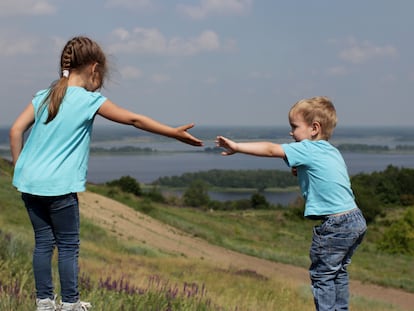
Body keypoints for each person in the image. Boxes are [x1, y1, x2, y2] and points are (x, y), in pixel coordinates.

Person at [9, 36, 203, 311]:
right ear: (93, 68)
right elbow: (134, 119)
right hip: (60, 188)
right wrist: (173, 133)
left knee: (43, 243)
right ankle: (70, 303)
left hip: (29, 186)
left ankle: (44, 302)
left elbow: (15, 131)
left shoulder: (44, 96)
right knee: (67, 246)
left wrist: (21, 171)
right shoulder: (88, 100)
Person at [216, 96, 366, 311]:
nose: (291, 133)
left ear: (314, 128)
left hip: (336, 224)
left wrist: (237, 146)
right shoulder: (331, 150)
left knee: (322, 274)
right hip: (355, 220)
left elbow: (270, 150)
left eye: (294, 127)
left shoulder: (307, 148)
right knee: (337, 272)